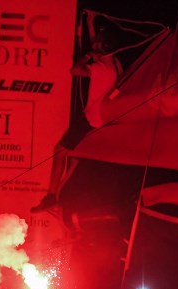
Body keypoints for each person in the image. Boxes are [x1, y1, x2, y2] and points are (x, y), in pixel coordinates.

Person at [30, 18, 122, 213]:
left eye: (98, 41)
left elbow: (75, 71)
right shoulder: (114, 63)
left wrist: (87, 56)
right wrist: (89, 22)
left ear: (103, 45)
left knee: (60, 151)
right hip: (100, 120)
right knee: (74, 156)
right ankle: (61, 197)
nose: (95, 43)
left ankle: (53, 196)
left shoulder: (101, 68)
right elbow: (96, 43)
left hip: (91, 120)